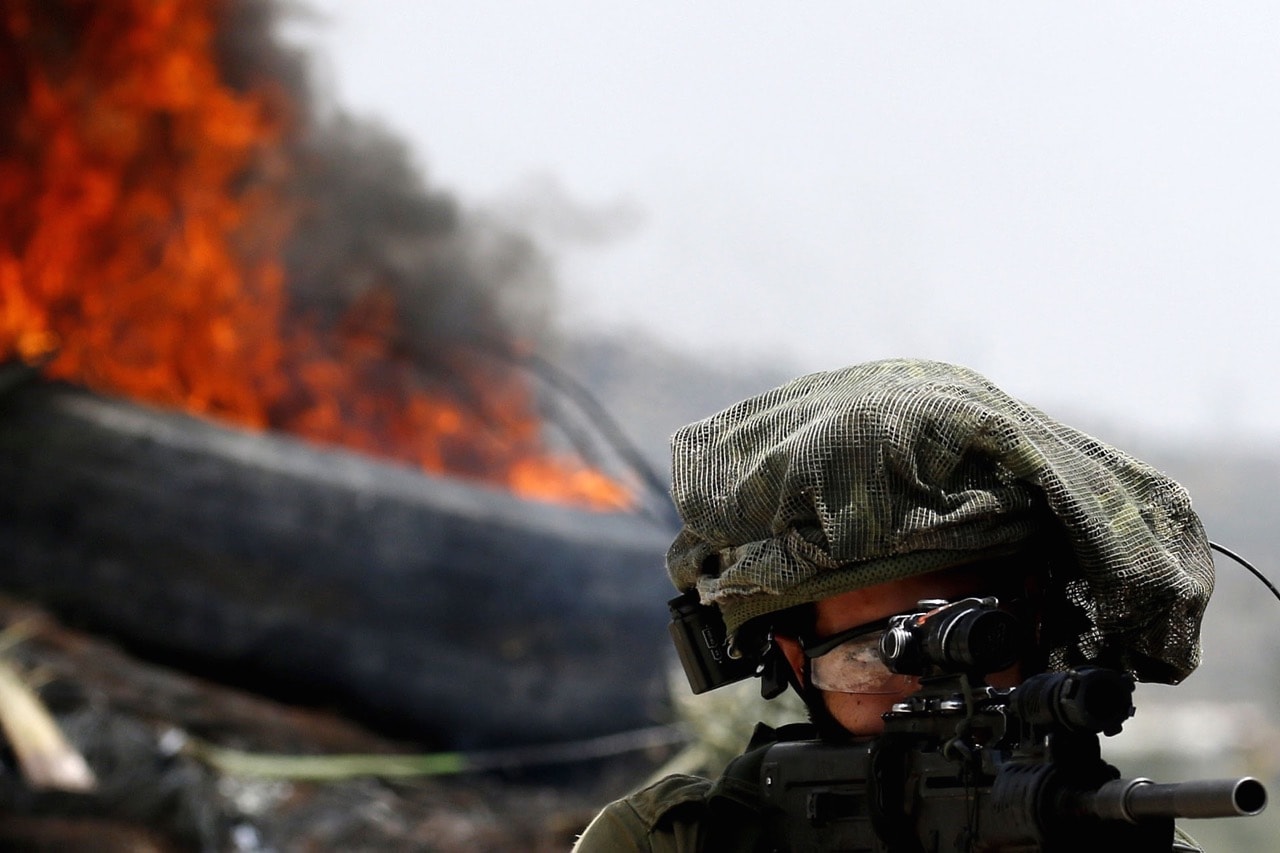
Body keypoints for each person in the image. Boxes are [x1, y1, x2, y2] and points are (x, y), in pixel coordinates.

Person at [573, 358, 1214, 852]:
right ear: (797, 660)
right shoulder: (671, 843)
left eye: (980, 635)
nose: (925, 689)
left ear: (1038, 622)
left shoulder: (1099, 830)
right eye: (874, 658)